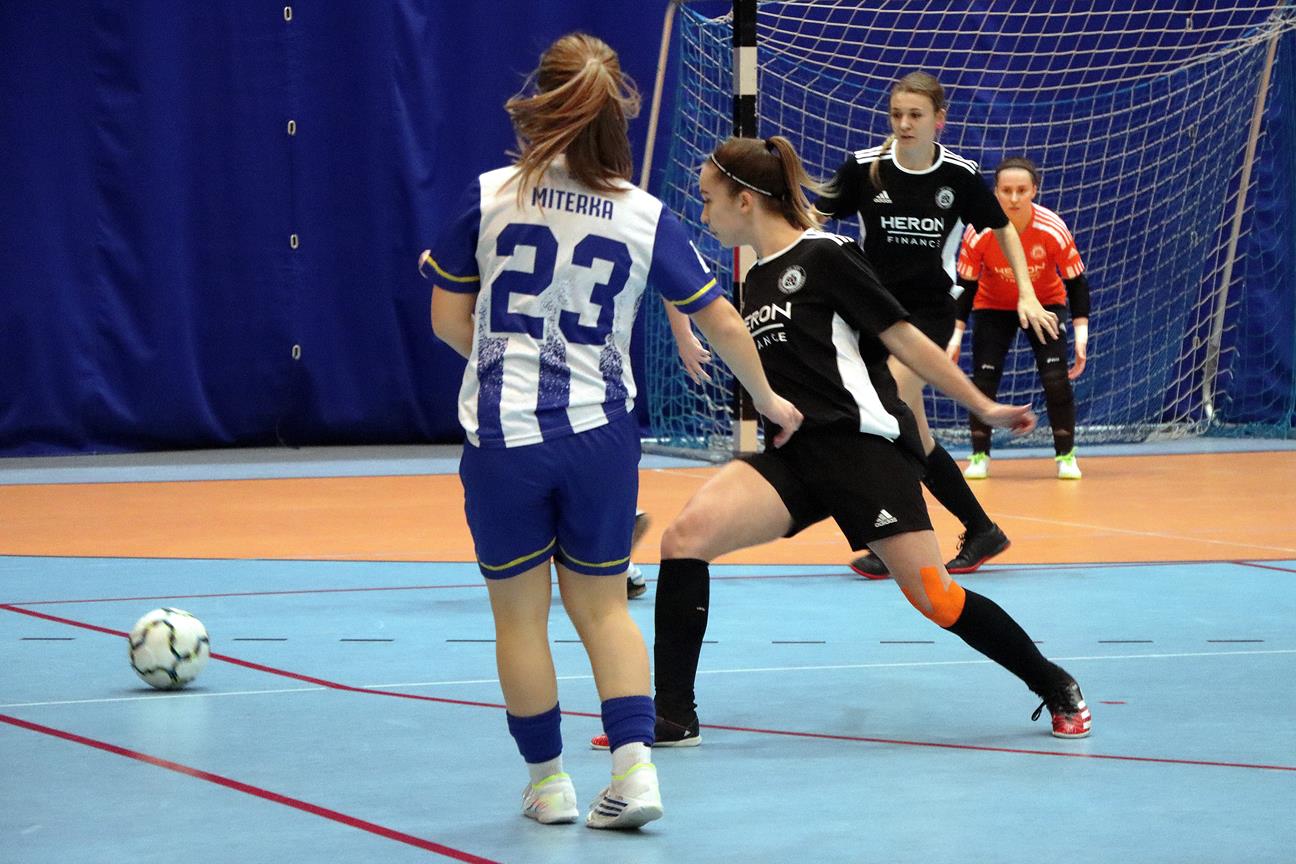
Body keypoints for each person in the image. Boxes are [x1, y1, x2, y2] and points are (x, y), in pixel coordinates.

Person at [592, 135, 1091, 751]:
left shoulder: (827, 254)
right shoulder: (757, 278)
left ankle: (1054, 682)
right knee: (685, 539)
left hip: (862, 452)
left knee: (936, 598)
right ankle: (673, 715)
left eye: (707, 199)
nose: (702, 212)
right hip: (793, 455)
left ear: (745, 201)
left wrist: (981, 406)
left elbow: (905, 339)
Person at [422, 34, 801, 830]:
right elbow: (722, 321)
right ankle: (635, 773)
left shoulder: (489, 196)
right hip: (602, 436)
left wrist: (503, 358)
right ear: (614, 119)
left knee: (520, 618)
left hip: (506, 438)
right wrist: (767, 399)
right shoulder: (643, 214)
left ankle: (549, 785)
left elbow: (448, 321)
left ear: (541, 103)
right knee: (603, 609)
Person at [814, 72, 1061, 580]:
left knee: (888, 413)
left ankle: (898, 540)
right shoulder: (864, 169)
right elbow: (813, 221)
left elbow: (1003, 231)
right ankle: (980, 529)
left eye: (915, 115)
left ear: (938, 120)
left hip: (928, 315)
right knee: (914, 434)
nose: (904, 124)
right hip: (873, 315)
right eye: (896, 115)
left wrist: (1028, 294)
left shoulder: (958, 176)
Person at [949, 157, 1090, 480]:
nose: (1014, 198)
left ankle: (1066, 456)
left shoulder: (1052, 228)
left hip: (1044, 305)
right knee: (984, 380)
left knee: (1056, 379)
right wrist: (954, 337)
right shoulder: (979, 231)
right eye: (1006, 190)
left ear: (1034, 191)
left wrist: (1081, 336)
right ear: (995, 192)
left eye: (1022, 190)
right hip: (993, 307)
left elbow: (1076, 283)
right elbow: (966, 287)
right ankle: (979, 456)